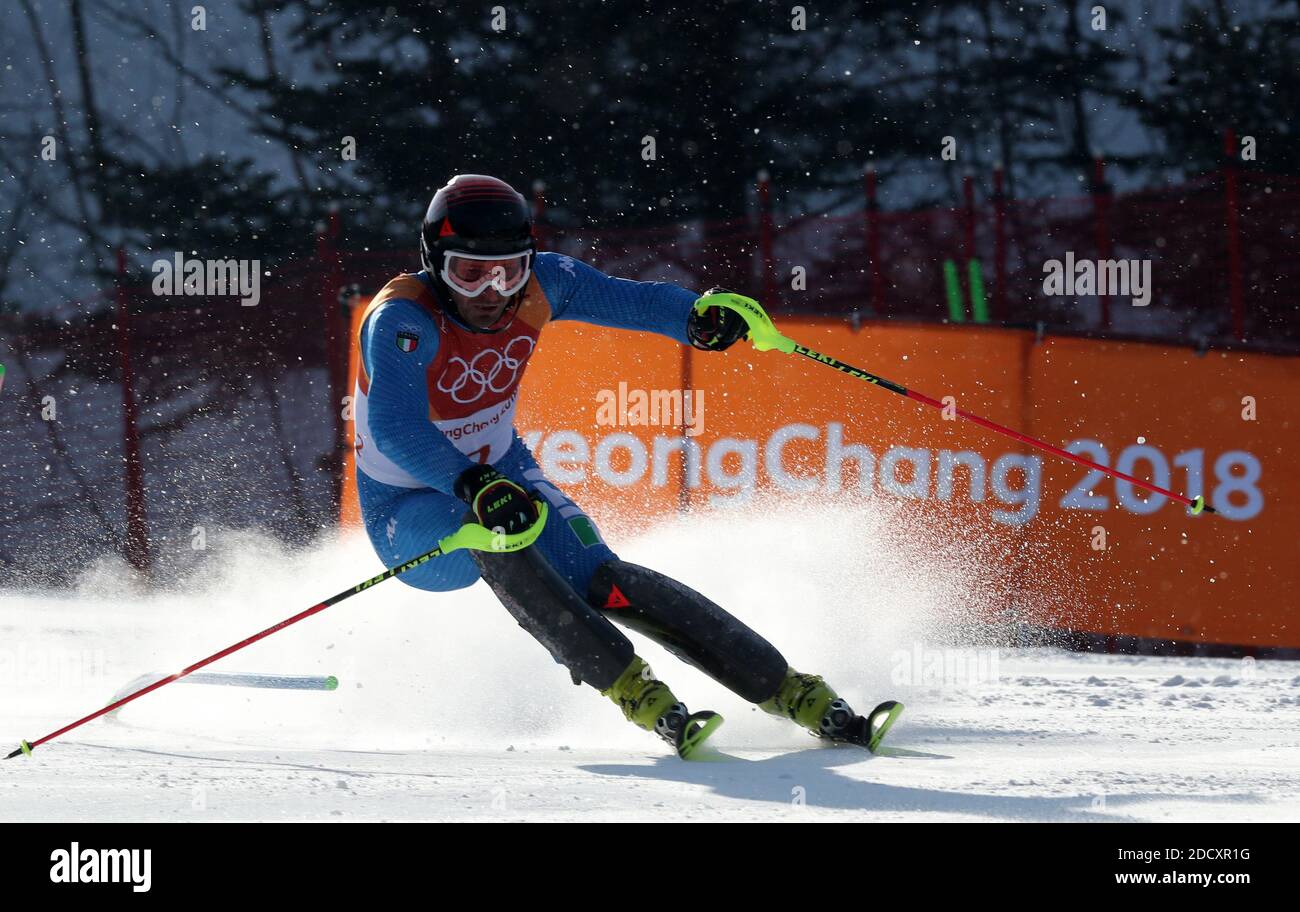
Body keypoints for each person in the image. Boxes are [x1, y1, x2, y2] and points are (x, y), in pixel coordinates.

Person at [353, 174, 890, 757]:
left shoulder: (545, 285)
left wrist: (699, 318)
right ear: (435, 264)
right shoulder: (401, 321)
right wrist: (474, 483)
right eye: (470, 272)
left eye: (509, 269)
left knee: (603, 579)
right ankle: (638, 694)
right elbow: (396, 426)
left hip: (496, 471)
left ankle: (794, 693)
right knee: (494, 538)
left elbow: (631, 299)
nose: (493, 290)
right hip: (407, 509)